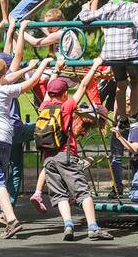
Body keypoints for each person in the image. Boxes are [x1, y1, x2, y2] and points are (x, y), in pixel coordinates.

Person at [0, 30, 52, 239]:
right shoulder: (6, 90)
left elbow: (7, 76)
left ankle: (11, 219)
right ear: (4, 73)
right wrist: (40, 66)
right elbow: (28, 82)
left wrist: (28, 67)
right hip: (4, 140)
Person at [35, 59, 114, 241]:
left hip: (48, 158)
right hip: (66, 154)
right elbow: (84, 84)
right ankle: (93, 227)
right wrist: (95, 65)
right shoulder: (66, 106)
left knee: (59, 194)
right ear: (64, 93)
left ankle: (68, 224)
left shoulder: (44, 107)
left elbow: (48, 93)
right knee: (82, 191)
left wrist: (56, 69)